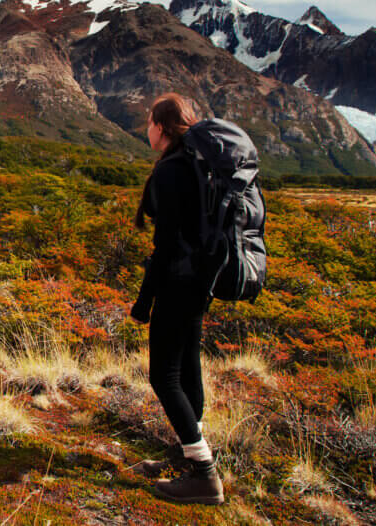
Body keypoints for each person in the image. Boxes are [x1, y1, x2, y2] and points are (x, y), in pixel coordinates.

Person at [129, 92, 224, 506]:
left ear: (163, 127)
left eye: (149, 121)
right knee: (188, 370)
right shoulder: (197, 165)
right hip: (199, 283)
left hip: (176, 283)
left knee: (164, 376)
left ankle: (204, 475)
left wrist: (144, 299)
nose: (145, 128)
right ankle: (188, 455)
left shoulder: (171, 172)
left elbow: (166, 243)